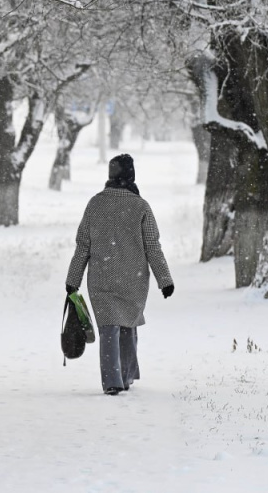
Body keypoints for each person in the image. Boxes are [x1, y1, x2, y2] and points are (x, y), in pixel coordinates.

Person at [65, 153, 174, 395]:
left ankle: (115, 378)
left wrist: (73, 280)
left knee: (109, 328)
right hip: (133, 277)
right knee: (127, 324)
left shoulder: (95, 204)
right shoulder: (140, 206)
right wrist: (164, 281)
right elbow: (152, 247)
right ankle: (124, 375)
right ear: (131, 175)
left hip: (101, 276)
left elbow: (83, 244)